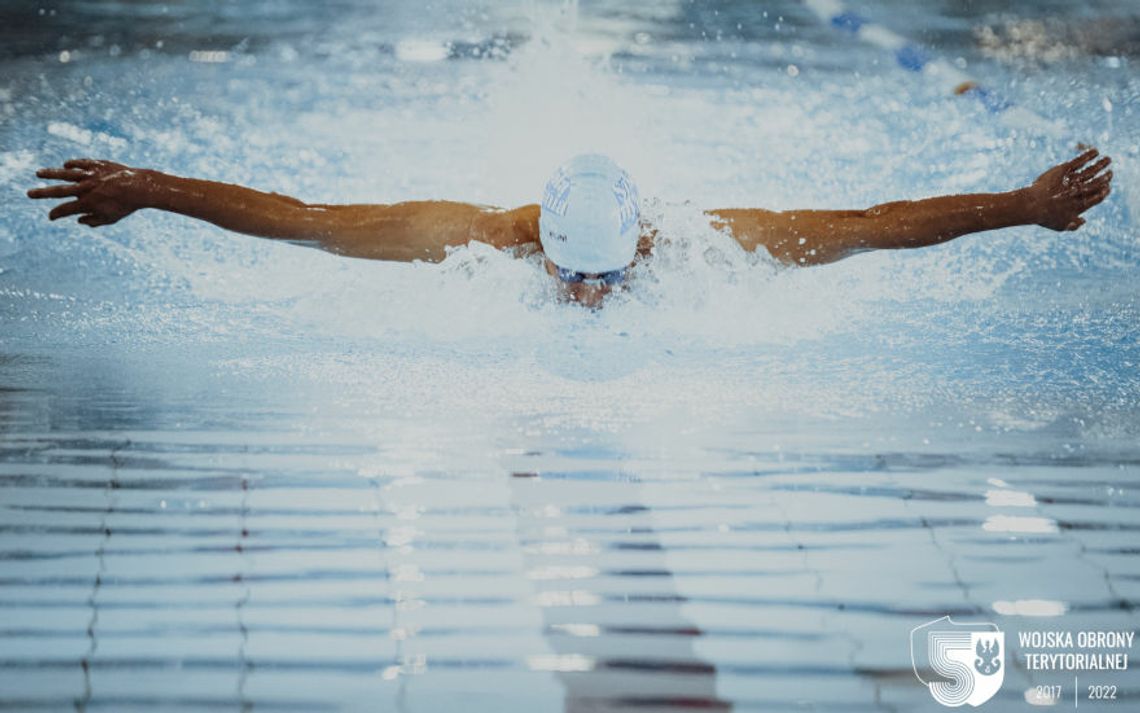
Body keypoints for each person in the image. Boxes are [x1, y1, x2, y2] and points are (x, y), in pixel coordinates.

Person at [28, 149, 1112, 308]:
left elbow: (877, 226)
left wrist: (1020, 206)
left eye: (604, 273)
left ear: (639, 244)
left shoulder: (702, 236)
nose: (588, 297)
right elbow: (305, 224)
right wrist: (149, 184)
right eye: (570, 272)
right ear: (534, 242)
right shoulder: (463, 234)